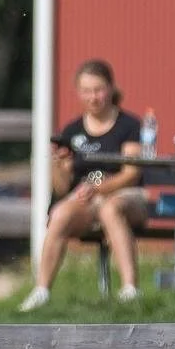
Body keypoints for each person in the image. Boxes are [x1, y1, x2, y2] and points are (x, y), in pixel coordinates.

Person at [20, 59, 147, 312]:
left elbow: (132, 174)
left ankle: (130, 290)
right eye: (87, 91)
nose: (93, 97)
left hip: (125, 196)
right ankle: (41, 291)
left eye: (98, 90)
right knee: (59, 214)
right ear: (79, 93)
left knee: (110, 209)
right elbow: (61, 187)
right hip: (85, 200)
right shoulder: (72, 130)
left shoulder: (129, 126)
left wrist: (98, 187)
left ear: (111, 88)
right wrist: (57, 164)